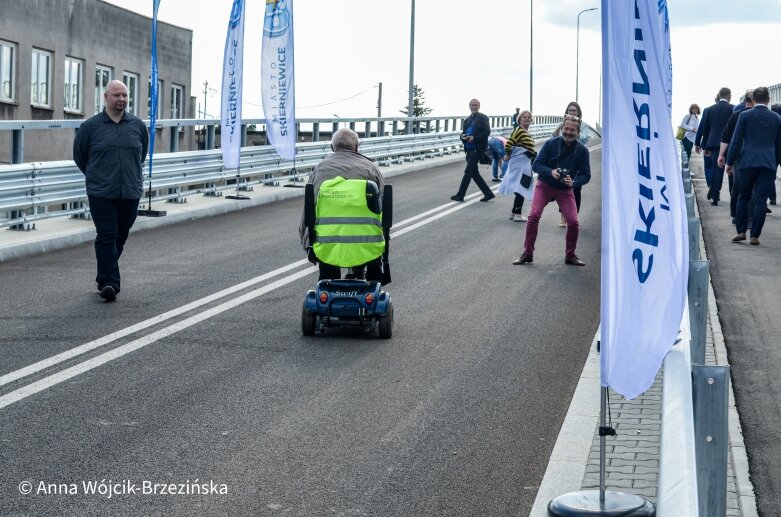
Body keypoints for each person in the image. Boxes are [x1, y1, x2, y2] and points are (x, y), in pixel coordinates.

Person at [73, 80, 149, 302]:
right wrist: (98, 176)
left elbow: (141, 154)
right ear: (105, 96)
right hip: (101, 192)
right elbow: (80, 156)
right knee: (107, 235)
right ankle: (110, 283)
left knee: (120, 236)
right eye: (117, 95)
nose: (121, 99)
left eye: (125, 95)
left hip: (130, 191)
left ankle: (104, 274)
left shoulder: (137, 126)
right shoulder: (90, 127)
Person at [299, 128, 386, 281]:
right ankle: (370, 281)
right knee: (371, 263)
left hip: (326, 244)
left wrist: (307, 242)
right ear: (357, 147)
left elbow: (309, 210)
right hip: (366, 244)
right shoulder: (370, 169)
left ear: (332, 148)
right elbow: (384, 207)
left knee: (327, 274)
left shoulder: (319, 170)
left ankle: (328, 283)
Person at [512, 115, 591, 266]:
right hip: (545, 185)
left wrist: (574, 182)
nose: (569, 132)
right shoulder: (550, 144)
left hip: (565, 189)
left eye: (573, 130)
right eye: (566, 129)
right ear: (562, 129)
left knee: (573, 222)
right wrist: (550, 172)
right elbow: (536, 165)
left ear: (578, 132)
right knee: (533, 215)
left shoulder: (582, 151)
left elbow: (586, 175)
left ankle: (570, 255)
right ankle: (527, 253)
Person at [726, 87, 781, 246]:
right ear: (768, 100)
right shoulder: (777, 119)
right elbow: (779, 146)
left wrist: (729, 162)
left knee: (743, 196)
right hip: (767, 164)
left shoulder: (744, 115)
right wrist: (774, 163)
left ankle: (741, 231)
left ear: (753, 100)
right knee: (761, 200)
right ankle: (755, 235)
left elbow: (736, 141)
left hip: (747, 162)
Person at [717, 90, 753, 221]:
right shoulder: (766, 115)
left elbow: (726, 137)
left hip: (738, 155)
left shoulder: (737, 114)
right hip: (753, 157)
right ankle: (748, 217)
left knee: (737, 186)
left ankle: (736, 215)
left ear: (745, 100)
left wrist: (722, 155)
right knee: (751, 188)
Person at [450, 99, 495, 202]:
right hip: (469, 149)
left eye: (476, 105)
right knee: (474, 173)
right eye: (472, 105)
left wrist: (474, 138)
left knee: (468, 171)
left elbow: (487, 132)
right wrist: (462, 137)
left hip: (477, 149)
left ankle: (460, 195)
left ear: (479, 106)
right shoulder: (467, 120)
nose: (474, 107)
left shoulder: (483, 117)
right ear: (469, 106)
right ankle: (488, 194)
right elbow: (464, 133)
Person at [695, 87, 734, 204]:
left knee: (717, 168)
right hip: (730, 142)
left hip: (713, 143)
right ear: (729, 96)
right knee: (731, 168)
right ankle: (733, 195)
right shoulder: (733, 108)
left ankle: (715, 195)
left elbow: (705, 129)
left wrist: (704, 145)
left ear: (719, 95)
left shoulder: (709, 109)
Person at [499, 110, 536, 222]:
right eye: (524, 117)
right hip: (519, 163)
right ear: (519, 119)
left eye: (529, 117)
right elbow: (509, 144)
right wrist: (508, 155)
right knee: (521, 187)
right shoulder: (519, 131)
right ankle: (518, 214)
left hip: (523, 163)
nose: (527, 118)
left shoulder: (525, 131)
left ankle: (514, 212)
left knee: (520, 186)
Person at [552, 101, 584, 226]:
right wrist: (559, 127)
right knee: (563, 188)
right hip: (563, 160)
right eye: (569, 110)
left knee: (576, 188)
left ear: (578, 113)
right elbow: (553, 138)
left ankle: (574, 215)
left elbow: (584, 138)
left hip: (578, 160)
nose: (571, 112)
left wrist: (576, 129)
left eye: (574, 110)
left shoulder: (583, 125)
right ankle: (563, 216)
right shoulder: (563, 125)